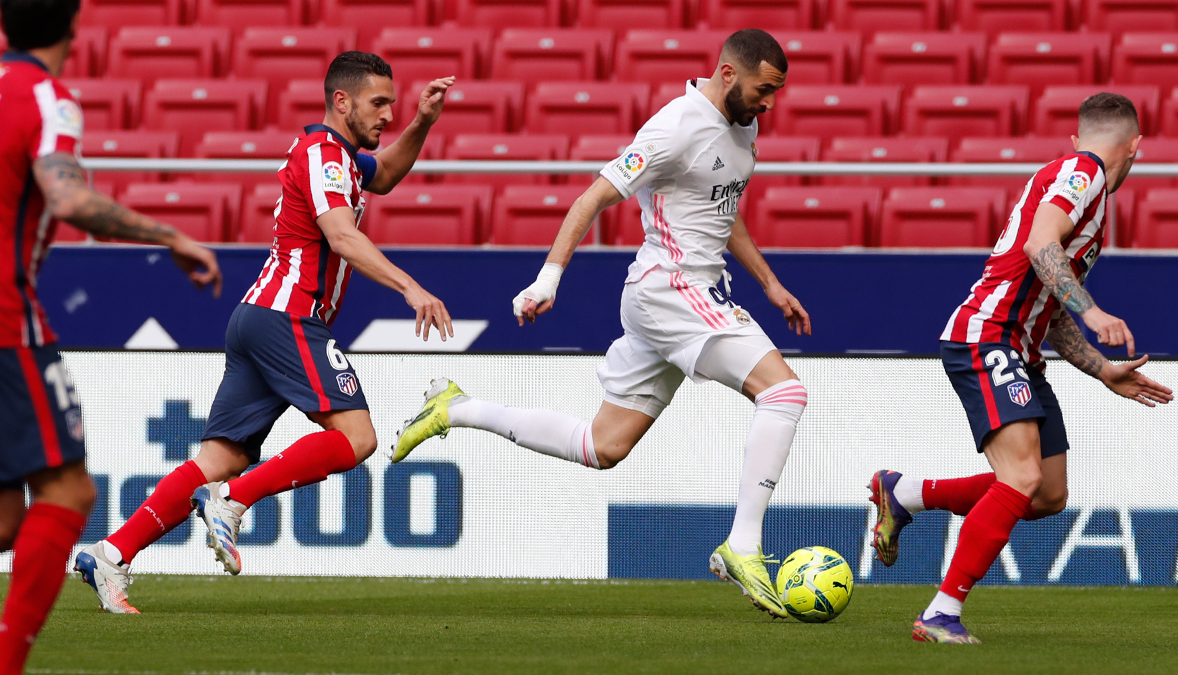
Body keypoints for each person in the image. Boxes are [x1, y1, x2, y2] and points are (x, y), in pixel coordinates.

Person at [392, 29, 809, 619]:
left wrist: (770, 284)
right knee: (786, 393)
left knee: (602, 446)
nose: (769, 103)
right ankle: (742, 546)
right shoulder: (675, 126)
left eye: (775, 93)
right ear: (726, 73)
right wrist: (548, 279)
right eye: (764, 89)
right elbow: (592, 197)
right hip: (671, 288)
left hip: (684, 295)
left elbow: (723, 206)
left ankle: (456, 409)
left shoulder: (744, 127)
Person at [75, 51, 455, 612]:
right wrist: (410, 288)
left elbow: (389, 175)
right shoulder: (325, 155)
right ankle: (232, 502)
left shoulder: (343, 158)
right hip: (289, 314)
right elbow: (343, 237)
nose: (388, 116)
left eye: (392, 105)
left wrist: (423, 120)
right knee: (357, 438)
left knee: (218, 459)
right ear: (341, 101)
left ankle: (108, 555)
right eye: (379, 104)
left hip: (259, 316)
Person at [867, 93, 1173, 644]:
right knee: (1022, 476)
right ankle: (941, 612)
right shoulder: (1084, 174)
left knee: (1047, 493)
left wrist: (1103, 369)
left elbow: (1049, 307)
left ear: (1078, 136)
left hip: (1022, 351)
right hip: (987, 336)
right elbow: (1039, 246)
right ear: (1136, 147)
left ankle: (905, 492)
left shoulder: (1085, 188)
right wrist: (1095, 309)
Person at [0, 0, 222, 669]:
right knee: (70, 493)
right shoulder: (48, 98)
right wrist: (170, 233)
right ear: (74, 27)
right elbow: (69, 199)